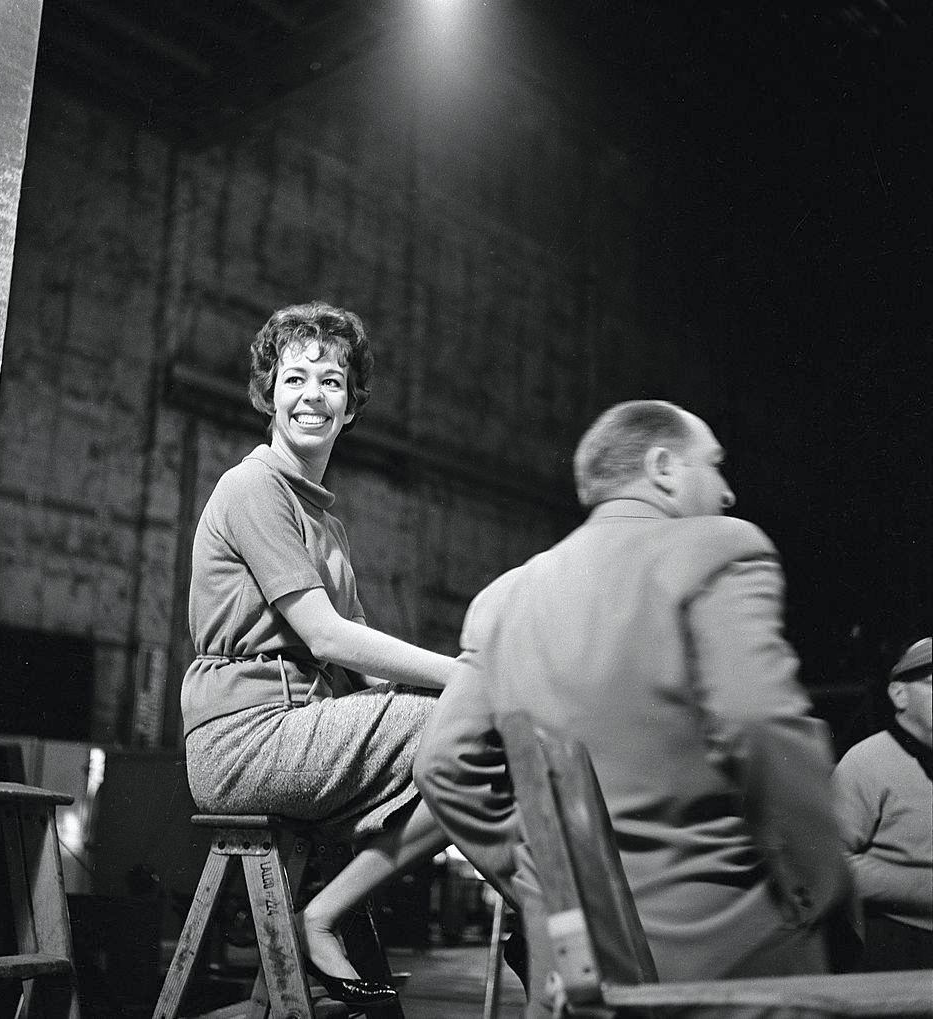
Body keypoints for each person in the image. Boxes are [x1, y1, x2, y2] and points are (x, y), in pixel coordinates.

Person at [414, 399, 852, 1017]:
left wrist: (545, 883)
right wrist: (823, 888)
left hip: (572, 975)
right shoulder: (720, 548)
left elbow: (441, 765)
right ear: (665, 468)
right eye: (716, 466)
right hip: (725, 964)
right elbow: (758, 722)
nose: (726, 493)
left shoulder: (505, 597)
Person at [181, 301, 454, 1006]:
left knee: (474, 731)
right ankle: (322, 915)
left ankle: (330, 911)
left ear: (350, 405)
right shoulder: (252, 487)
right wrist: (466, 676)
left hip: (303, 728)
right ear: (268, 391)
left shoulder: (323, 522)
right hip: (243, 737)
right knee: (465, 720)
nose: (312, 396)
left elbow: (363, 669)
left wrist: (468, 689)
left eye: (331, 382)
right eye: (295, 378)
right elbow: (328, 635)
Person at [833, 636, 933, 970]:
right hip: (899, 940)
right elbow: (832, 864)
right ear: (899, 694)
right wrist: (923, 888)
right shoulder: (866, 761)